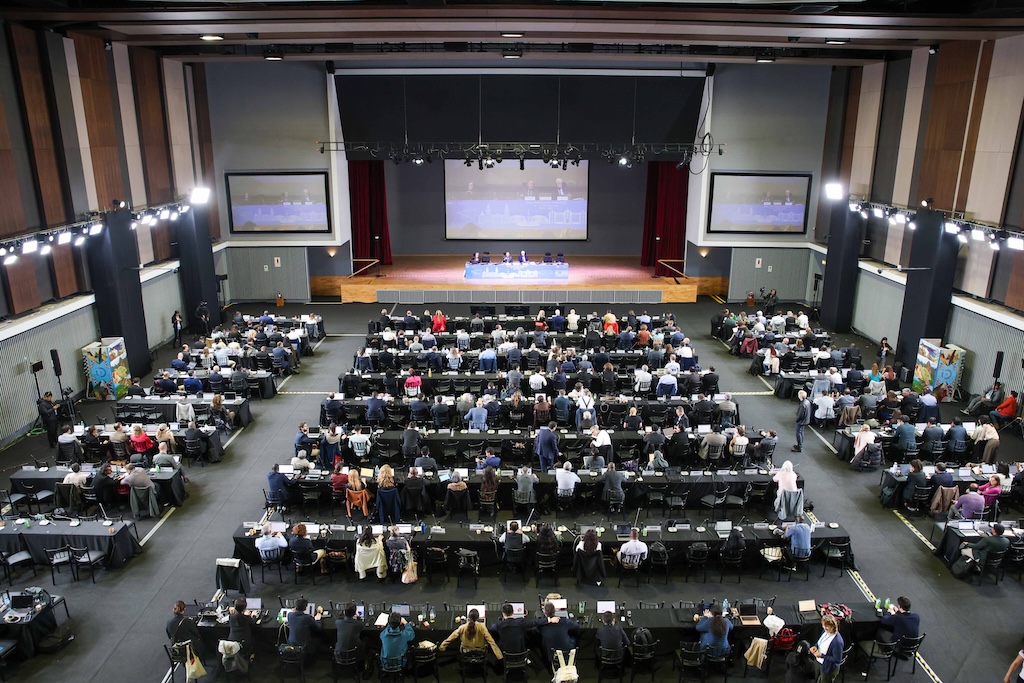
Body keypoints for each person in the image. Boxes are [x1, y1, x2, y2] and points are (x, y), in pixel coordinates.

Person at [810, 614, 845, 682]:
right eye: (823, 625)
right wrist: (815, 646)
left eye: (826, 626)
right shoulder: (825, 631)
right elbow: (820, 641)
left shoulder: (837, 642)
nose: (824, 627)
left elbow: (837, 660)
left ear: (833, 626)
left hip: (828, 667)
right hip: (819, 662)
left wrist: (822, 656)